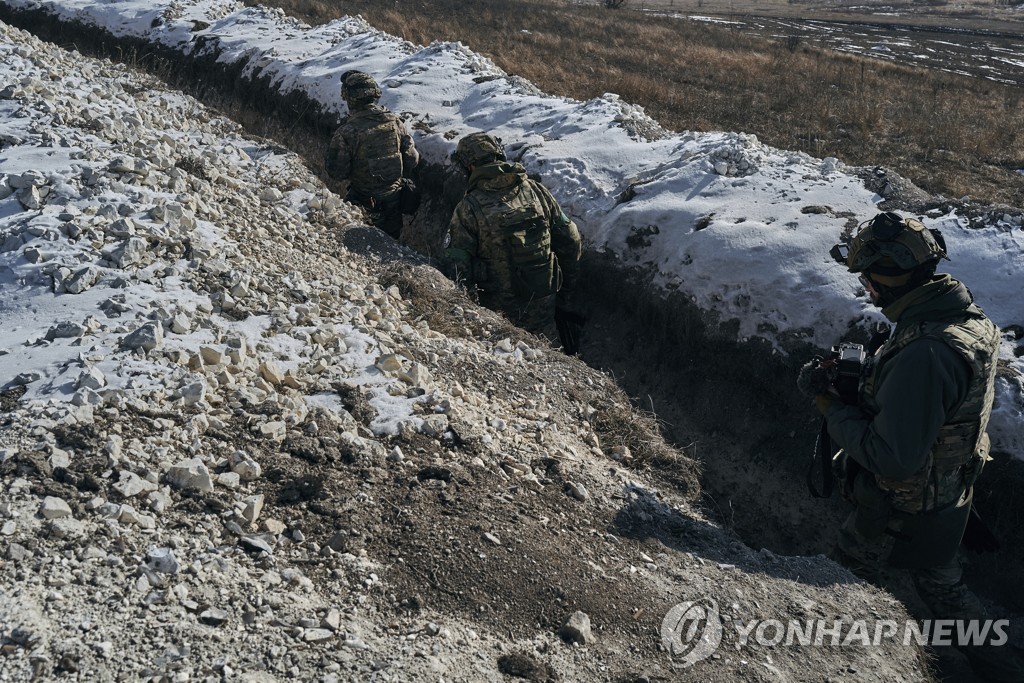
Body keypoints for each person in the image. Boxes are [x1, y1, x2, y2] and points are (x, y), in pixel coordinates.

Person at [799, 211, 1020, 681]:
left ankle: (832, 667)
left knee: (839, 588)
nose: (866, 289)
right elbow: (939, 412)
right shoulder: (958, 316)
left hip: (901, 507)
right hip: (948, 493)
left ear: (887, 280)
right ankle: (1003, 666)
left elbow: (893, 458)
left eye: (868, 280)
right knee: (944, 589)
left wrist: (829, 405)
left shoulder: (928, 350)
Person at [443, 132, 583, 350]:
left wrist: (468, 314)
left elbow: (457, 268)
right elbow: (571, 239)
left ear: (469, 167)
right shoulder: (537, 191)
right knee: (553, 360)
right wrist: (565, 291)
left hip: (498, 317)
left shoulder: (468, 208)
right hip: (544, 305)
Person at [325, 70, 419, 239]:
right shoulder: (395, 122)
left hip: (362, 204)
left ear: (349, 98)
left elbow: (336, 172)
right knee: (391, 245)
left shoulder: (347, 131)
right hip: (394, 203)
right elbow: (412, 159)